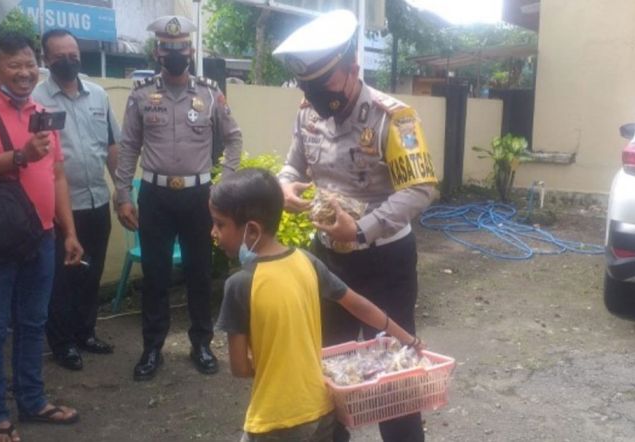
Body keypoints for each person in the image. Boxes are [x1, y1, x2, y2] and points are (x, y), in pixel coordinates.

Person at [273, 10, 438, 442]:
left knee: (396, 373)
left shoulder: (393, 118)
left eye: (323, 82)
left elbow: (420, 189)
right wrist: (285, 187)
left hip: (385, 260)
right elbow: (293, 165)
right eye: (306, 85)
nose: (313, 94)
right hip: (329, 262)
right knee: (330, 369)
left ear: (352, 70)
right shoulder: (307, 113)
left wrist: (362, 229)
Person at [211, 168, 425, 442]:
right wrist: (409, 339)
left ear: (252, 229)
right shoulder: (307, 262)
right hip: (322, 410)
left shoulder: (239, 285)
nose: (213, 232)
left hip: (274, 419)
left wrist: (279, 368)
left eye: (219, 224)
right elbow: (359, 305)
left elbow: (240, 368)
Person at [0, 32, 83, 441]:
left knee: (33, 322)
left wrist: (69, 231)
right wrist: (19, 156)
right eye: (14, 65)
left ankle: (33, 400)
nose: (25, 73)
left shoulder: (42, 110)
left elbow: (57, 173)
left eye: (29, 64)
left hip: (40, 237)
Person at [115, 15, 243, 381]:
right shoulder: (140, 94)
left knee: (199, 273)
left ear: (190, 51)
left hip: (199, 197)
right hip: (155, 197)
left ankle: (200, 343)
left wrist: (226, 183)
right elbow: (129, 146)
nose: (175, 53)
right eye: (168, 48)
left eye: (182, 48)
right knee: (155, 275)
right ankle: (152, 348)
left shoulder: (208, 93)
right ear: (158, 51)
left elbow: (233, 138)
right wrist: (123, 193)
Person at [33, 28, 120, 371]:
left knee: (91, 275)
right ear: (46, 59)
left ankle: (86, 333)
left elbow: (112, 146)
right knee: (61, 280)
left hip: (97, 200)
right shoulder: (37, 100)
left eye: (73, 54)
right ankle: (62, 343)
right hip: (58, 209)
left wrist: (122, 193)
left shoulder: (98, 95)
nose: (68, 60)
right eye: (59, 56)